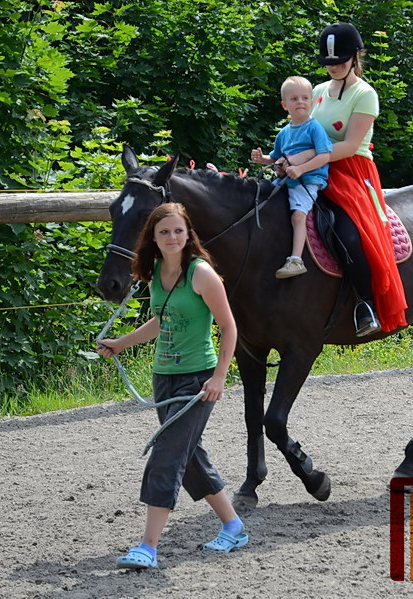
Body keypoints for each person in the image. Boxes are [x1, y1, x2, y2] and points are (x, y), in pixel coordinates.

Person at [96, 202, 246, 569]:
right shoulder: (155, 273)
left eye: (179, 230)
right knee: (188, 455)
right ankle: (233, 526)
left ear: (188, 233)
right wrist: (120, 344)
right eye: (164, 232)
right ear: (153, 237)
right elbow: (160, 321)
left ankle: (148, 547)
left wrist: (219, 377)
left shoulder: (202, 274)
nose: (172, 237)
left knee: (166, 455)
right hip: (163, 377)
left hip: (198, 380)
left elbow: (229, 327)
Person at [287, 22, 408, 336]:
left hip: (351, 172)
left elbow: (350, 145)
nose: (334, 67)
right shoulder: (315, 92)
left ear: (356, 56)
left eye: (340, 61)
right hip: (311, 167)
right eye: (328, 62)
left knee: (349, 235)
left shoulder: (365, 94)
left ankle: (366, 305)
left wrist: (306, 157)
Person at [250, 76, 333, 279]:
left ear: (312, 102)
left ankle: (296, 259)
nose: (300, 102)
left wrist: (302, 169)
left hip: (307, 181)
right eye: (294, 99)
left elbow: (324, 155)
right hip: (286, 180)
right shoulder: (284, 133)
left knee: (298, 215)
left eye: (304, 98)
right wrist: (262, 159)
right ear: (284, 105)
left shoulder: (314, 128)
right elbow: (276, 158)